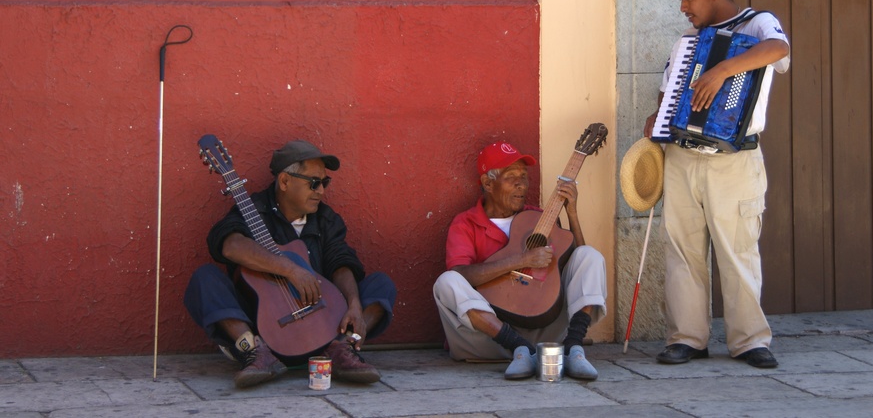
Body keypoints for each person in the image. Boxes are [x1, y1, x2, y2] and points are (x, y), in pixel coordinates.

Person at [644, 0, 791, 369]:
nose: (683, 8)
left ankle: (749, 340)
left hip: (734, 159)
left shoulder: (758, 23)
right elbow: (668, 93)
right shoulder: (685, 43)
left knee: (737, 248)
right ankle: (687, 337)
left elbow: (778, 49)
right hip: (683, 158)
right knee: (683, 249)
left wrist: (721, 70)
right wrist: (657, 118)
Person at [184, 139, 397, 388]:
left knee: (381, 284)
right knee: (205, 278)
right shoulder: (252, 208)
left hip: (326, 325)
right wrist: (290, 269)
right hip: (266, 330)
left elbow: (341, 261)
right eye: (314, 183)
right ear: (285, 182)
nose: (321, 191)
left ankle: (342, 350)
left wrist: (353, 304)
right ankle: (255, 352)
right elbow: (230, 245)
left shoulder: (326, 219)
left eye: (325, 182)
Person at [433, 141, 607, 380]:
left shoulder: (537, 218)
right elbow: (462, 275)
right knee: (446, 281)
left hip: (546, 334)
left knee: (589, 256)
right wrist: (521, 260)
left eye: (524, 177)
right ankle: (518, 348)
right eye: (511, 177)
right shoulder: (465, 223)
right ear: (487, 183)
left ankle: (573, 349)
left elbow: (575, 261)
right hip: (489, 339)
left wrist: (572, 212)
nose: (521, 185)